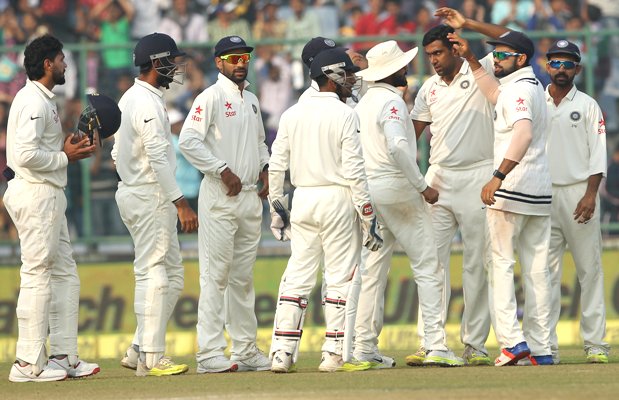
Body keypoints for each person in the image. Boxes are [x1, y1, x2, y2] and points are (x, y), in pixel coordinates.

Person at [436, 7, 554, 366]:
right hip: (538, 192)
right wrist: (472, 57)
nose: (496, 59)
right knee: (536, 270)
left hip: (513, 187)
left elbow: (523, 133)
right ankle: (542, 347)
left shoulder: (518, 90)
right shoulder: (526, 83)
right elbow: (493, 93)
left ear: (520, 58)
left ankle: (512, 342)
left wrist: (498, 176)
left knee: (499, 263)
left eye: (502, 55)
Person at [268, 47, 381, 373]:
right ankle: (332, 353)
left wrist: (278, 209)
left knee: (298, 276)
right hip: (338, 198)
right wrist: (368, 215)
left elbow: (277, 166)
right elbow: (355, 171)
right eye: (346, 74)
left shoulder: (292, 113)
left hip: (303, 198)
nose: (351, 80)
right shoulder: (346, 114)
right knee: (339, 277)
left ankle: (281, 353)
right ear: (331, 75)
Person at [352, 40, 463, 368]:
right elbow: (400, 148)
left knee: (373, 271)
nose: (406, 69)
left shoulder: (362, 104)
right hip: (396, 187)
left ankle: (364, 347)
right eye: (402, 65)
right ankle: (435, 345)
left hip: (369, 190)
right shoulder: (392, 102)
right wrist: (422, 186)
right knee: (428, 265)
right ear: (393, 70)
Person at [4, 34, 99, 382]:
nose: (65, 64)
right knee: (37, 274)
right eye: (61, 59)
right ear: (47, 64)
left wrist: (67, 146)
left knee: (64, 274)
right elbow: (25, 155)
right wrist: (64, 156)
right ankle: (27, 364)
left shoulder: (42, 98)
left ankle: (63, 356)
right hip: (36, 194)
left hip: (48, 193)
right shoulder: (33, 101)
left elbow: (37, 147)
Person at [406, 23, 502, 367]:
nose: (433, 60)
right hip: (439, 179)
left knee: (477, 263)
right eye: (429, 54)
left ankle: (475, 343)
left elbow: (513, 40)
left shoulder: (482, 69)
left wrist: (470, 29)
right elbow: (408, 137)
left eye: (439, 52)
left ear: (455, 47)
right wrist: (412, 177)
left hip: (478, 175)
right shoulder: (428, 89)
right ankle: (430, 341)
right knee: (430, 263)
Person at [179, 35, 271, 373]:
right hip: (220, 195)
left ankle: (245, 349)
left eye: (244, 56)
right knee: (215, 276)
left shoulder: (252, 100)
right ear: (219, 62)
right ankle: (209, 352)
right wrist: (221, 170)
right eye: (233, 58)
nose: (240, 63)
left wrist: (264, 168)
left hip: (249, 197)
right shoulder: (211, 97)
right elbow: (188, 140)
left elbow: (260, 142)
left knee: (243, 278)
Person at [113, 32, 198, 377]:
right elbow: (159, 156)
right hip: (150, 194)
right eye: (171, 62)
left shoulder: (132, 97)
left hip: (137, 190)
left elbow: (118, 152)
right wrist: (181, 202)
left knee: (171, 275)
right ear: (157, 63)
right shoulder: (146, 102)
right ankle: (152, 355)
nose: (176, 68)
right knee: (154, 272)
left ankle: (138, 347)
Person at [544, 39, 609, 364]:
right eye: (555, 63)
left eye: (567, 64)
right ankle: (546, 347)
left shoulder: (587, 105)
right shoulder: (535, 102)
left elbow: (598, 153)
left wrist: (590, 194)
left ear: (577, 69)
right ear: (546, 66)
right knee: (545, 274)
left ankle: (596, 344)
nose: (561, 69)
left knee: (590, 270)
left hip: (578, 193)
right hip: (543, 195)